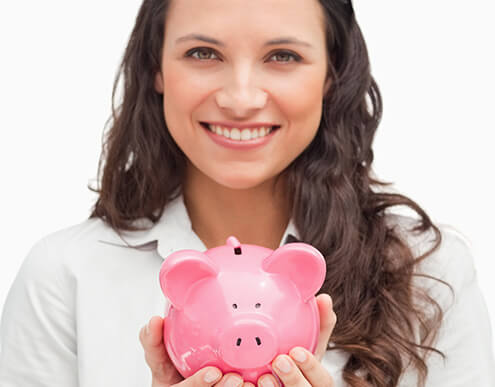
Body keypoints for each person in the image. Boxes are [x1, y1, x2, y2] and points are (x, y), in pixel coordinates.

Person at [0, 0, 494, 386]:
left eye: (283, 56)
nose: (240, 98)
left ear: (332, 74)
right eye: (203, 53)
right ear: (156, 67)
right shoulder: (65, 277)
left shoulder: (428, 272)